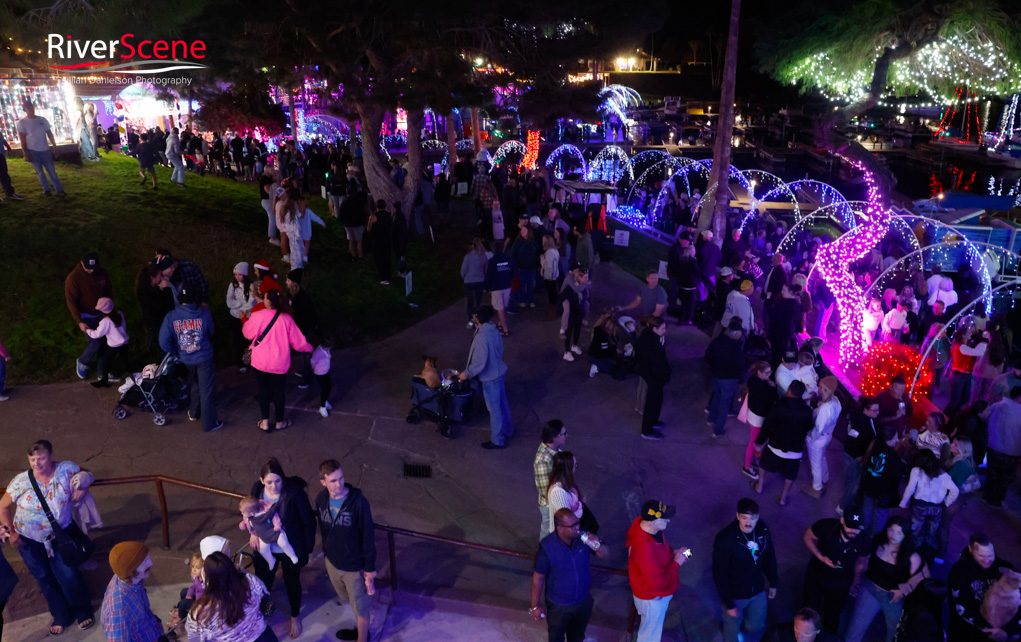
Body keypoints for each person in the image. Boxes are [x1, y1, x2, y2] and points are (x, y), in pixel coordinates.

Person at [0, 440, 95, 634]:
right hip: (28, 540)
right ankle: (60, 614)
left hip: (60, 537)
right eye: (32, 459)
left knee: (68, 574)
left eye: (41, 458)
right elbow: (3, 506)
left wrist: (82, 486)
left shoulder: (65, 469)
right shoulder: (21, 481)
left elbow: (85, 474)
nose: (37, 463)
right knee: (44, 578)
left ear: (51, 456)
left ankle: (82, 610)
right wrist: (11, 531)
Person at [316, 460, 376, 642]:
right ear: (323, 482)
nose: (339, 484)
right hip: (333, 562)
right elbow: (324, 529)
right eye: (333, 480)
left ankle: (362, 639)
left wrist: (369, 567)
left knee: (360, 607)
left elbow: (367, 535)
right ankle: (359, 632)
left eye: (341, 478)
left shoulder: (358, 502)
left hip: (353, 566)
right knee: (349, 600)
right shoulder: (321, 499)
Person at [531, 507, 609, 642]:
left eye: (577, 523)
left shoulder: (584, 538)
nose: (577, 527)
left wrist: (597, 543)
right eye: (573, 526)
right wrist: (535, 606)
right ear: (560, 529)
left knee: (577, 637)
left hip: (583, 601)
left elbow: (606, 554)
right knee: (556, 638)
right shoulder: (547, 548)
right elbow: (538, 579)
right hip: (559, 606)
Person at [844, 516, 926, 642]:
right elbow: (863, 561)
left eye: (900, 532)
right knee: (857, 622)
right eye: (891, 530)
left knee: (895, 629)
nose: (894, 535)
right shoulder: (877, 543)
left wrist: (903, 591)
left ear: (906, 534)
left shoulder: (911, 556)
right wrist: (856, 579)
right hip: (870, 588)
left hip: (892, 596)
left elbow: (922, 579)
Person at [243, 289, 313, 432]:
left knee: (263, 391)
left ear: (268, 301)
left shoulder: (257, 316)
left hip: (260, 362)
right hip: (279, 363)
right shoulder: (287, 319)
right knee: (279, 392)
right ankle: (280, 422)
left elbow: (247, 333)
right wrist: (310, 348)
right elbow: (299, 343)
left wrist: (245, 320)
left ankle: (265, 422)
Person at [712, 498, 779, 642]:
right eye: (744, 518)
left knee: (756, 625)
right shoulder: (725, 539)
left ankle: (741, 629)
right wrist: (729, 604)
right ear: (737, 516)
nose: (748, 523)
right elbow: (720, 574)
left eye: (752, 518)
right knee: (731, 629)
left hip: (757, 590)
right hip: (736, 594)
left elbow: (769, 556)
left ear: (758, 517)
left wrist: (773, 581)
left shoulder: (762, 530)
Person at [159, 285, 223, 433]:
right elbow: (210, 331)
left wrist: (176, 352)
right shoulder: (205, 314)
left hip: (186, 358)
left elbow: (164, 342)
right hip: (204, 357)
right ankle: (209, 423)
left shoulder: (171, 317)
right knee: (206, 389)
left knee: (194, 383)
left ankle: (194, 412)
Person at [627, 500, 691, 642]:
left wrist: (672, 554)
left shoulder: (647, 527)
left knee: (649, 626)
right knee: (650, 634)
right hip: (652, 598)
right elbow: (658, 583)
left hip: (648, 592)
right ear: (653, 521)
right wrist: (676, 563)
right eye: (664, 518)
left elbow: (659, 550)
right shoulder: (644, 549)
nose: (668, 520)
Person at [801, 510, 868, 638]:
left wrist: (855, 580)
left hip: (841, 583)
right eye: (850, 526)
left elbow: (861, 561)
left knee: (832, 616)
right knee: (809, 610)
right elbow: (807, 537)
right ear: (842, 520)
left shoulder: (864, 540)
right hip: (816, 575)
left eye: (857, 528)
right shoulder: (826, 526)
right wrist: (820, 557)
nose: (853, 531)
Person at [185, 551, 277, 642]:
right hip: (264, 637)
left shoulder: (200, 612)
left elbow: (194, 638)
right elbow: (266, 598)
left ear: (206, 576)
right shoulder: (250, 580)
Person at [947, 533, 1021, 641]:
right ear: (971, 549)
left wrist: (1008, 630)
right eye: (981, 556)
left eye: (990, 555)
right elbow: (962, 607)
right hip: (970, 634)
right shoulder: (959, 572)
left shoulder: (1005, 568)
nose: (987, 560)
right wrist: (990, 630)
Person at [459, 305, 514, 449]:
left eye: (474, 315)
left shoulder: (482, 336)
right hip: (499, 372)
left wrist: (467, 373)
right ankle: (508, 430)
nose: (472, 317)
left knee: (494, 409)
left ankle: (497, 440)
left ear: (477, 317)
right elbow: (500, 349)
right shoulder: (492, 329)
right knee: (503, 404)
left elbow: (479, 361)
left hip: (490, 378)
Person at [754, 380, 814, 506]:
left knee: (763, 465)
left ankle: (759, 485)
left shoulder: (778, 407)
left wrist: (759, 441)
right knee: (790, 475)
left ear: (789, 391)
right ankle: (783, 497)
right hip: (795, 450)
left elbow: (767, 426)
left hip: (776, 445)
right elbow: (809, 426)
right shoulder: (807, 411)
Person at [100, 541, 164, 642]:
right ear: (131, 570)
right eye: (144, 561)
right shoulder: (119, 611)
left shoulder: (129, 579)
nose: (151, 563)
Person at [66, 251, 114, 380]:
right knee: (95, 343)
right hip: (86, 316)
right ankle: (82, 361)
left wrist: (109, 308)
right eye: (88, 268)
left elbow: (108, 289)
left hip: (103, 313)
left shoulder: (102, 272)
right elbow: (71, 301)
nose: (92, 271)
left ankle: (102, 372)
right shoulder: (74, 278)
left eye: (94, 268)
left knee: (106, 343)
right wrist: (79, 321)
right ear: (82, 263)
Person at [706, 317, 745, 437]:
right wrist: (740, 378)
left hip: (716, 376)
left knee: (717, 397)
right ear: (737, 334)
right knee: (725, 404)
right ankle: (718, 430)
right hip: (729, 379)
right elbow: (740, 365)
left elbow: (708, 357)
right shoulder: (737, 348)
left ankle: (711, 419)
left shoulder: (717, 341)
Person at [803, 376, 841, 499]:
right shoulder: (836, 401)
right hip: (828, 436)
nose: (818, 388)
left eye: (820, 387)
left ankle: (817, 488)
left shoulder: (825, 409)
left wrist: (810, 437)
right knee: (822, 458)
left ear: (825, 389)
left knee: (816, 464)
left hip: (818, 439)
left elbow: (818, 428)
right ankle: (825, 478)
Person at [17, 100, 65, 196]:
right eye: (28, 108)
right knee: (39, 172)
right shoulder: (22, 123)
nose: (31, 109)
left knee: (52, 171)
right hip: (32, 151)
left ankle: (59, 190)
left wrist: (55, 146)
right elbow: (23, 139)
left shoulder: (42, 120)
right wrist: (25, 153)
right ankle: (46, 189)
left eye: (32, 107)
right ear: (25, 110)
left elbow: (49, 134)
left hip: (45, 150)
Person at [840, 397, 879, 513]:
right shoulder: (862, 423)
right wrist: (858, 455)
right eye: (874, 410)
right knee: (854, 483)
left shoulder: (859, 417)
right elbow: (854, 439)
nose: (877, 413)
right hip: (854, 456)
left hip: (850, 453)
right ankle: (842, 506)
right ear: (866, 410)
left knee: (851, 479)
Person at [983, 386, 1021, 507]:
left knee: (992, 473)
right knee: (1004, 477)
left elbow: (986, 417)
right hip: (1011, 450)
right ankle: (997, 500)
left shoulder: (997, 405)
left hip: (993, 445)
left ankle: (988, 496)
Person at [637, 316, 671, 440]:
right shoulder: (652, 343)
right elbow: (656, 363)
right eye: (662, 328)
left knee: (656, 400)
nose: (664, 331)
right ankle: (647, 430)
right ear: (655, 329)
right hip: (654, 377)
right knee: (652, 402)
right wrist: (663, 375)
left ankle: (653, 421)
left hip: (652, 375)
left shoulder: (648, 336)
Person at [85, 296, 130, 388]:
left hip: (114, 345)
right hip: (124, 342)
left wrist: (87, 330)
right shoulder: (119, 314)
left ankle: (104, 381)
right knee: (125, 359)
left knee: (105, 361)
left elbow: (97, 334)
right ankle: (132, 375)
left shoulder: (106, 321)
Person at [741, 361, 776, 480]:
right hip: (758, 418)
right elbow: (770, 398)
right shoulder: (762, 387)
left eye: (770, 371)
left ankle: (754, 461)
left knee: (756, 442)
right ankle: (747, 466)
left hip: (754, 415)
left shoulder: (754, 380)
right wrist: (772, 388)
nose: (769, 374)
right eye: (767, 372)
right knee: (754, 443)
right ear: (759, 372)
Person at [534, 420, 567, 539]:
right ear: (555, 437)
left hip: (559, 500)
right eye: (564, 433)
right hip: (550, 506)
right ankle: (544, 554)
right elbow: (544, 491)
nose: (566, 436)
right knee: (548, 534)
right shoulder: (543, 460)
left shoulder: (554, 450)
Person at [545, 452, 583, 534]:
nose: (575, 468)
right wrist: (578, 506)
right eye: (575, 465)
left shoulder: (564, 484)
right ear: (568, 469)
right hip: (565, 535)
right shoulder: (558, 492)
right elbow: (566, 520)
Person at [226, 262, 254, 370]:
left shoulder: (250, 285)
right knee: (238, 340)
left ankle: (249, 360)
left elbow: (252, 302)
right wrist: (241, 304)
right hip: (235, 317)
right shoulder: (232, 285)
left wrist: (238, 303)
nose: (237, 277)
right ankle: (241, 362)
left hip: (248, 317)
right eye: (236, 274)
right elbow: (229, 302)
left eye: (240, 274)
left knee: (248, 339)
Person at [485, 242, 514, 336]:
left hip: (496, 287)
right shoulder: (508, 259)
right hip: (507, 286)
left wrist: (488, 287)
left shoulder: (492, 261)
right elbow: (513, 271)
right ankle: (500, 323)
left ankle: (505, 329)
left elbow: (489, 276)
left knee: (499, 307)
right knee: (502, 307)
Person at [560, 269, 590, 362]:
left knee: (577, 329)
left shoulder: (583, 286)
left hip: (579, 312)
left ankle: (575, 346)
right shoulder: (571, 287)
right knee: (569, 331)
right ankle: (566, 352)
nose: (587, 279)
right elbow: (562, 297)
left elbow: (586, 297)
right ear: (579, 277)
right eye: (585, 277)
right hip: (572, 312)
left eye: (587, 277)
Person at [461, 238, 489, 329]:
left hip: (469, 281)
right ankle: (479, 319)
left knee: (470, 302)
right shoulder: (484, 256)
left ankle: (471, 320)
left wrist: (464, 276)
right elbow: (485, 268)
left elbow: (463, 270)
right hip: (480, 280)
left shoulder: (468, 256)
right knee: (479, 301)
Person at [367, 199, 393, 284]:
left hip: (378, 241)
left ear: (377, 206)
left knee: (379, 259)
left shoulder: (374, 217)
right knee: (387, 258)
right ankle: (388, 276)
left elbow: (368, 229)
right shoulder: (389, 215)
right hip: (387, 240)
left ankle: (383, 278)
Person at [0, 127, 26, 201]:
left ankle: (10, 193)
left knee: (4, 174)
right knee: (4, 175)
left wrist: (8, 147)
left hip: (1, 154)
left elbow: (2, 138)